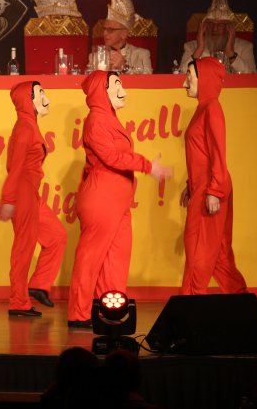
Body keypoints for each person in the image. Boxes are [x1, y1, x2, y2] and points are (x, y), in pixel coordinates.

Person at [66, 71, 171, 328]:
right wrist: (148, 166)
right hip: (102, 198)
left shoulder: (109, 119)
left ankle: (110, 311)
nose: (123, 92)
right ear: (102, 91)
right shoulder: (96, 120)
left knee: (116, 260)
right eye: (116, 86)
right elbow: (111, 157)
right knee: (90, 259)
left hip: (117, 200)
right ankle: (78, 314)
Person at [0, 81, 67, 317]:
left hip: (30, 192)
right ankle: (18, 302)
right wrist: (8, 199)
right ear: (28, 100)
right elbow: (15, 167)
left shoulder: (30, 125)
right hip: (22, 192)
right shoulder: (25, 128)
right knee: (23, 248)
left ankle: (38, 285)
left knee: (57, 236)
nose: (46, 99)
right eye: (40, 94)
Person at [180, 57, 247, 295]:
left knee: (198, 250)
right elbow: (202, 153)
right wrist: (190, 185)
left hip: (211, 188)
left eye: (189, 76)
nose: (184, 83)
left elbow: (219, 151)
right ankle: (241, 300)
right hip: (204, 186)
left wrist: (214, 190)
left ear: (205, 79)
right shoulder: (203, 109)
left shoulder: (212, 109)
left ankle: (191, 305)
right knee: (218, 254)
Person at [179, 0, 256, 74]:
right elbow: (180, 75)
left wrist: (231, 54)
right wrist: (198, 50)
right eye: (211, 24)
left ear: (228, 28)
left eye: (220, 25)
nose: (214, 29)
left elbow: (253, 77)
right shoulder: (191, 47)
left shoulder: (245, 47)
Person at [89, 0, 152, 74]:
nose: (104, 33)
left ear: (124, 34)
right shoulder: (95, 56)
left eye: (110, 30)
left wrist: (124, 67)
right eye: (104, 29)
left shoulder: (141, 54)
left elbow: (148, 79)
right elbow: (91, 79)